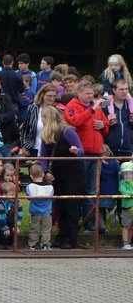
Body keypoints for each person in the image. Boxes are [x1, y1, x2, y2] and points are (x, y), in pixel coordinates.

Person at [64, 81, 109, 232]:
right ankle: (74, 224)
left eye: (92, 94)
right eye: (88, 94)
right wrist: (91, 109)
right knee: (78, 190)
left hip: (97, 154)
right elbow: (74, 121)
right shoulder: (72, 106)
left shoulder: (96, 108)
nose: (91, 97)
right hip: (82, 154)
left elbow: (106, 125)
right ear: (79, 93)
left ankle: (90, 225)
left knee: (91, 191)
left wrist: (103, 126)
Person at [39, 105, 84, 249]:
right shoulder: (47, 135)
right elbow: (43, 156)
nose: (42, 120)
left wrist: (75, 151)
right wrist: (46, 171)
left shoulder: (67, 131)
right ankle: (62, 235)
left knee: (71, 205)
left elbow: (81, 150)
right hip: (58, 173)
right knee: (60, 206)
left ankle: (71, 238)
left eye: (43, 117)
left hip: (73, 173)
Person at [26, 163, 54, 250]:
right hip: (47, 212)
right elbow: (51, 197)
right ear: (43, 174)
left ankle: (32, 244)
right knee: (46, 229)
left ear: (31, 176)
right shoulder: (50, 187)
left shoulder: (30, 187)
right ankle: (45, 244)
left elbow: (29, 197)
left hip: (35, 211)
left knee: (34, 228)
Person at [119, 162, 133, 250]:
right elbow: (124, 192)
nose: (128, 175)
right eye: (125, 173)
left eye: (130, 173)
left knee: (132, 227)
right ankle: (125, 243)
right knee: (126, 226)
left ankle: (129, 242)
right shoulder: (122, 183)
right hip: (127, 209)